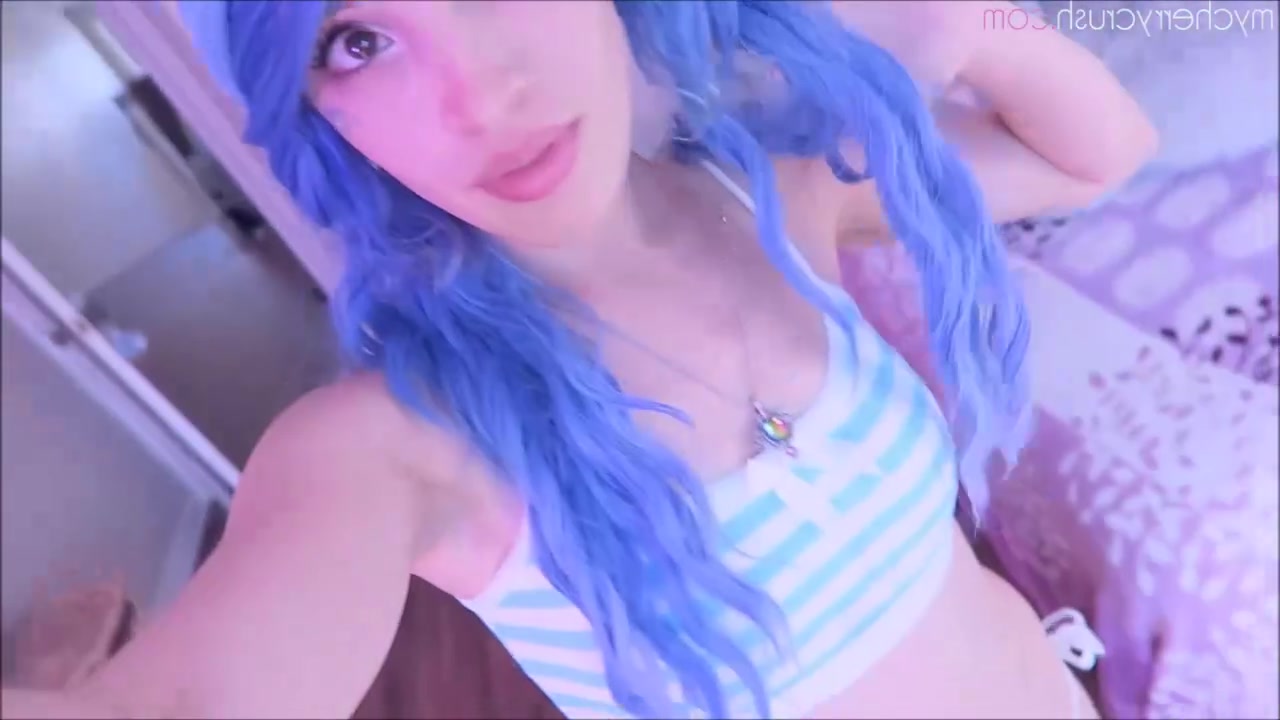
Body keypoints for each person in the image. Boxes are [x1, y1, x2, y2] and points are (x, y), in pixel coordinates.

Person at [3, 1, 1156, 718]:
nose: (479, 96)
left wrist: (957, 14)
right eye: (357, 42)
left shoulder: (764, 193)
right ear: (323, 117)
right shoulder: (402, 441)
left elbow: (1095, 153)